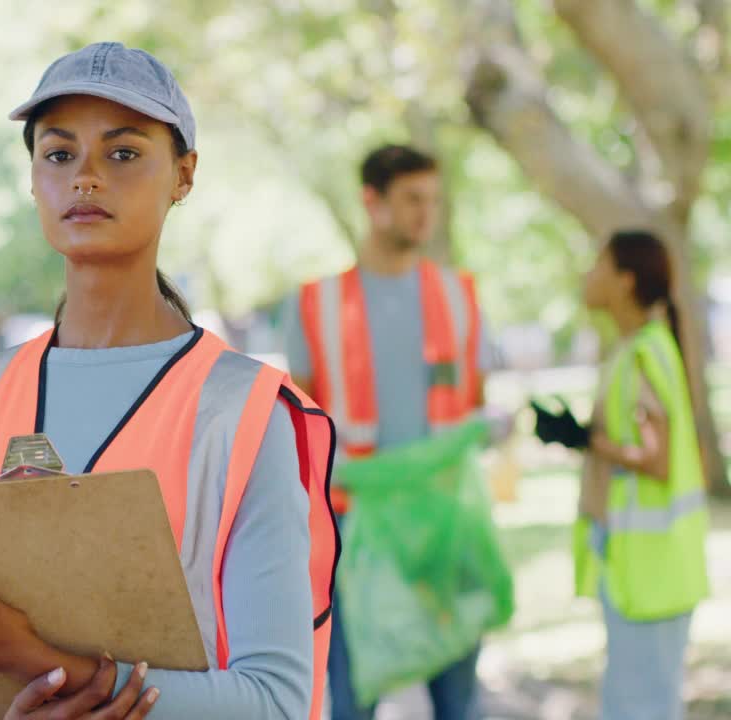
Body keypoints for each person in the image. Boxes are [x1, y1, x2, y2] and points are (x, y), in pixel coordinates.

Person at [0, 42, 339, 720]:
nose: (85, 176)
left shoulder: (245, 413)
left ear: (183, 174)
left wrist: (35, 662)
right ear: (32, 180)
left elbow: (275, 703)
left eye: (122, 153)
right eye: (59, 154)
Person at [281, 145, 495, 720]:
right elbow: (298, 426)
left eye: (433, 200)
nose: (427, 213)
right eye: (413, 200)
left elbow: (474, 402)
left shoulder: (460, 295)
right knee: (353, 698)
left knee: (458, 700)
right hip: (356, 527)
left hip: (443, 520)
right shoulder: (314, 304)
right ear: (372, 203)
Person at [532, 230, 708, 720]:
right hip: (643, 566)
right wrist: (585, 436)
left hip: (650, 570)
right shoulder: (637, 348)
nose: (588, 275)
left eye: (599, 266)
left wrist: (586, 440)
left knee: (640, 707)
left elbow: (656, 459)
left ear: (625, 281)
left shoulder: (644, 354)